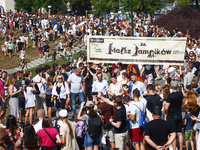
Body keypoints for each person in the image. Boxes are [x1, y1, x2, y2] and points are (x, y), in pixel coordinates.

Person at [164, 81, 184, 150]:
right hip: (179, 114)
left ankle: (174, 148)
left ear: (171, 87)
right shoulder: (180, 94)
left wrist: (165, 105)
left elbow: (166, 107)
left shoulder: (170, 96)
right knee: (180, 133)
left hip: (172, 115)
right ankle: (181, 148)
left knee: (173, 134)